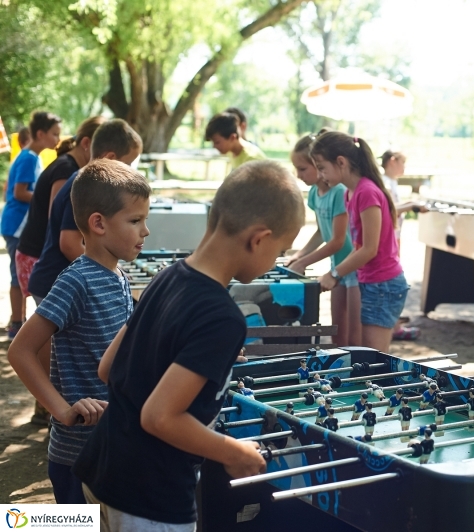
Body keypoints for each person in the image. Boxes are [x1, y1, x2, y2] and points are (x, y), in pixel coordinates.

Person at [73, 160, 305, 528]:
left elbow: (108, 368)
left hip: (101, 471)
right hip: (150, 498)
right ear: (259, 238)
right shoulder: (224, 318)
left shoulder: (167, 278)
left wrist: (200, 357)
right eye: (279, 250)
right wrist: (235, 451)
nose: (274, 260)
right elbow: (159, 416)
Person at [8, 159, 150, 504]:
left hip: (110, 447)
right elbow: (20, 351)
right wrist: (62, 409)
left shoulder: (118, 276)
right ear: (98, 223)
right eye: (135, 221)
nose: (145, 232)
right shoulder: (77, 280)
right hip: (78, 456)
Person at [311, 133, 409, 352]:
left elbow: (369, 249)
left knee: (375, 357)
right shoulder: (350, 193)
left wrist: (334, 274)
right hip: (370, 281)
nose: (320, 175)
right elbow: (358, 246)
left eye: (322, 167)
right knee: (365, 353)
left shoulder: (366, 192)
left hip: (383, 284)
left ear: (341, 162)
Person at [28, 119, 143, 305]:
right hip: (56, 283)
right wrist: (107, 272)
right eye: (128, 163)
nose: (130, 170)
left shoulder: (86, 182)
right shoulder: (83, 186)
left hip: (65, 281)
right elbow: (69, 244)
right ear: (111, 158)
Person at [17, 117, 105, 301]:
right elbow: (56, 217)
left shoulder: (70, 167)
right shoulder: (66, 170)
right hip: (36, 253)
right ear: (86, 143)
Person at [287, 133, 361, 346]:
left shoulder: (339, 192)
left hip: (352, 267)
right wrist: (299, 255)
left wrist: (304, 262)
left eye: (302, 169)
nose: (298, 174)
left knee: (355, 337)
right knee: (337, 332)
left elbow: (338, 240)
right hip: (336, 265)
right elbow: (322, 231)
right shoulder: (314, 193)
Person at [2, 111, 62, 338]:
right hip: (17, 224)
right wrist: (44, 198)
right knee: (17, 276)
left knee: (18, 275)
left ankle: (19, 321)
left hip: (17, 224)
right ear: (40, 134)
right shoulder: (29, 158)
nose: (58, 139)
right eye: (54, 134)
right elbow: (19, 192)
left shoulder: (31, 156)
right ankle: (17, 323)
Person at [380, 150, 428, 341]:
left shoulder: (390, 182)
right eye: (403, 162)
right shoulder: (385, 183)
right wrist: (411, 206)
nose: (404, 167)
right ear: (393, 161)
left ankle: (394, 324)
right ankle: (391, 326)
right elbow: (388, 210)